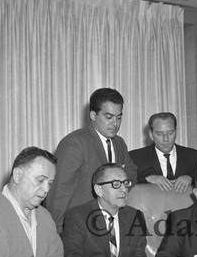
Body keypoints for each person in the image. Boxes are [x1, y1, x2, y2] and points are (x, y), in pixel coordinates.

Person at [46, 87, 138, 233]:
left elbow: (131, 170)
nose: (115, 123)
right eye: (109, 117)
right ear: (93, 116)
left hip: (110, 224)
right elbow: (59, 193)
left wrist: (118, 187)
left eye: (119, 117)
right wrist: (56, 232)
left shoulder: (119, 143)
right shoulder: (74, 143)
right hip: (79, 227)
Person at [130, 112, 197, 193]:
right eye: (160, 134)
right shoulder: (136, 158)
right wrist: (147, 179)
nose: (166, 139)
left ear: (176, 132)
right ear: (151, 134)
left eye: (170, 133)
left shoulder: (192, 156)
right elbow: (126, 184)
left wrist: (191, 179)